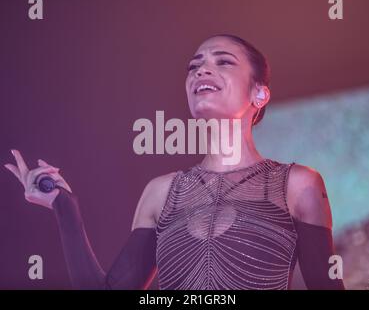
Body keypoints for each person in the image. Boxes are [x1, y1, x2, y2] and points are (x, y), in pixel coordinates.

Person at [4, 34, 345, 290]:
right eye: (194, 66)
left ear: (259, 93)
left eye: (222, 61)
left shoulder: (297, 184)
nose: (201, 70)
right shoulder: (161, 192)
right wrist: (64, 206)